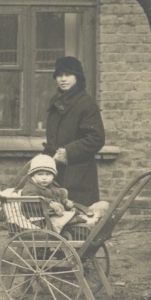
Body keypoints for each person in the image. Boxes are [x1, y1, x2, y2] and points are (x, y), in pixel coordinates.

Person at [43, 56, 105, 206]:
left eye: (68, 75)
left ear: (77, 77)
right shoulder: (56, 101)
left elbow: (96, 138)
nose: (63, 79)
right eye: (59, 75)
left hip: (78, 173)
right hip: (57, 170)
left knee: (77, 218)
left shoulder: (86, 104)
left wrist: (66, 152)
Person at [19, 154, 77, 233]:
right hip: (37, 220)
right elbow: (31, 199)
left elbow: (58, 197)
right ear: (33, 175)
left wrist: (65, 202)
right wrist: (50, 203)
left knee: (74, 215)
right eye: (40, 174)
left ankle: (74, 228)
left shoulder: (52, 186)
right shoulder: (30, 187)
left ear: (53, 175)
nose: (44, 178)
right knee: (70, 219)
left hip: (49, 217)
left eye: (48, 174)